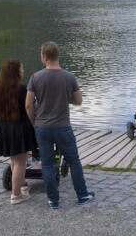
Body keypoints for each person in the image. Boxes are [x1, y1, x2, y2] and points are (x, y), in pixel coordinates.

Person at [25, 41, 94, 209]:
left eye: (41, 56)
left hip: (42, 127)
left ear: (44, 57)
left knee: (47, 164)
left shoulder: (35, 77)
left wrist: (34, 123)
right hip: (63, 126)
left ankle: (53, 200)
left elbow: (28, 105)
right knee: (74, 161)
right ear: (57, 56)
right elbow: (78, 101)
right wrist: (64, 97)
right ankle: (82, 195)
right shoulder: (69, 77)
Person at [0, 59, 38, 205]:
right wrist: (34, 122)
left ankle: (21, 185)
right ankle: (16, 195)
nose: (23, 71)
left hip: (4, 127)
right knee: (21, 161)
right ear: (16, 73)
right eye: (21, 69)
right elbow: (31, 107)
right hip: (19, 128)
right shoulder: (23, 90)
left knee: (13, 159)